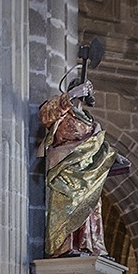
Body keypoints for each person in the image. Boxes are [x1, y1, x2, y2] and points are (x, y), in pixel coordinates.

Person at [38, 80, 117, 257]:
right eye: (85, 88)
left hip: (88, 174)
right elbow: (44, 116)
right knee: (68, 204)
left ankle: (89, 245)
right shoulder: (64, 112)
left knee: (92, 205)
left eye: (89, 89)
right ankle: (64, 246)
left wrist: (113, 156)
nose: (88, 91)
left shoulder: (90, 120)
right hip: (66, 169)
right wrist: (71, 95)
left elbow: (97, 146)